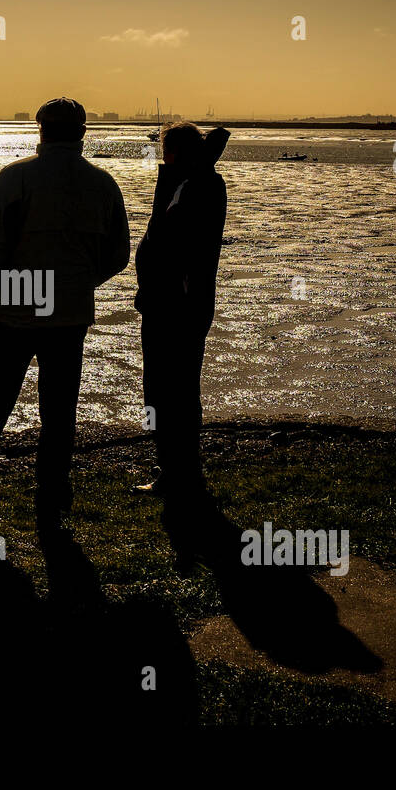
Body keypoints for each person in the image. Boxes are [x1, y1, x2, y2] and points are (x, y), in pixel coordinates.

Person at [0, 97, 130, 532]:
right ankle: (52, 502)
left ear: (41, 131)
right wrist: (78, 285)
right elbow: (118, 254)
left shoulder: (16, 177)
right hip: (70, 316)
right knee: (59, 412)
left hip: (15, 312)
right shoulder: (103, 184)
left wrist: (3, 288)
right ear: (82, 132)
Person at [133, 122, 230, 515]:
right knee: (171, 389)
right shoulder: (194, 182)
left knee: (169, 390)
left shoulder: (195, 186)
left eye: (164, 151)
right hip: (176, 301)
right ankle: (176, 469)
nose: (161, 158)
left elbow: (173, 241)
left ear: (173, 152)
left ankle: (178, 471)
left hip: (176, 305)